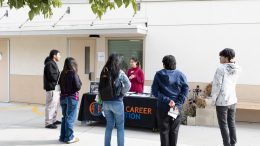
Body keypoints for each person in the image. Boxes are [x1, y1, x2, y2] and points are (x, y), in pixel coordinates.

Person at [151, 55, 189, 146]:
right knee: (174, 131)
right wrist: (177, 102)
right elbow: (185, 89)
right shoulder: (180, 75)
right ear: (175, 63)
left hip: (163, 107)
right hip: (175, 107)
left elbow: (154, 92)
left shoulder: (159, 74)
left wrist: (168, 101)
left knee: (164, 131)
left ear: (164, 64)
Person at [99, 54, 131, 146]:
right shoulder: (119, 72)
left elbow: (100, 86)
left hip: (106, 102)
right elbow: (128, 84)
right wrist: (122, 93)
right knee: (120, 127)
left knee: (109, 126)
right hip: (117, 101)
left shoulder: (104, 71)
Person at [211, 48, 241, 146]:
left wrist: (213, 100)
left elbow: (217, 86)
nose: (220, 58)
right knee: (231, 123)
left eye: (222, 56)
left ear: (226, 58)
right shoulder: (237, 68)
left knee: (223, 124)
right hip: (232, 99)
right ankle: (233, 143)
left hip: (222, 101)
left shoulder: (221, 68)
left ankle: (226, 144)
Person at [59, 57, 82, 144]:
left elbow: (59, 84)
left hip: (63, 97)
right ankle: (69, 137)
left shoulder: (62, 73)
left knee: (65, 117)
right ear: (73, 64)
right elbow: (77, 86)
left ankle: (63, 136)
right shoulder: (73, 73)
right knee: (70, 117)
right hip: (72, 98)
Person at [43, 49, 62, 129]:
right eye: (59, 55)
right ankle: (48, 123)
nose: (60, 57)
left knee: (55, 105)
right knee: (51, 105)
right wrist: (60, 76)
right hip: (51, 88)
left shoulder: (52, 63)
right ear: (54, 56)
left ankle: (53, 120)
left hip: (55, 87)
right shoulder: (50, 64)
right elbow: (52, 76)